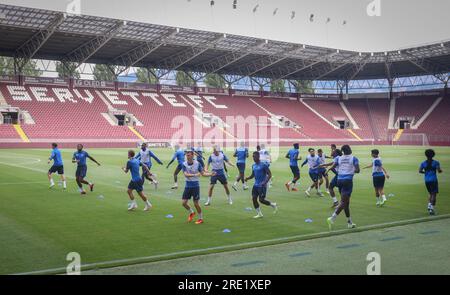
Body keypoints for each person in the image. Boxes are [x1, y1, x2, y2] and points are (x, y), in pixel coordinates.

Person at [326, 145, 359, 230]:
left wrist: (329, 170)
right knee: (344, 202)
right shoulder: (354, 158)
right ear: (349, 150)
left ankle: (349, 222)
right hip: (347, 181)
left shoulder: (338, 158)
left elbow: (333, 166)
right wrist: (350, 170)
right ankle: (332, 218)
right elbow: (358, 170)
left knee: (346, 203)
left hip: (339, 180)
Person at [181, 150, 214, 224]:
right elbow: (185, 174)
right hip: (188, 185)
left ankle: (200, 218)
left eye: (189, 155)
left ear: (193, 156)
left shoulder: (197, 164)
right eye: (187, 155)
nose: (187, 156)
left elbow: (203, 173)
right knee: (183, 203)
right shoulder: (184, 164)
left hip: (195, 186)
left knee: (196, 203)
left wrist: (210, 174)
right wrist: (195, 175)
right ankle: (192, 212)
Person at [245, 151, 278, 218]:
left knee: (261, 200)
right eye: (253, 156)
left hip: (262, 186)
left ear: (258, 157)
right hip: (256, 185)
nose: (253, 158)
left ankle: (273, 205)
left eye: (254, 156)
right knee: (254, 199)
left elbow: (269, 174)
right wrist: (247, 178)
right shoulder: (253, 165)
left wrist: (265, 182)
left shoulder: (263, 165)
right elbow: (253, 175)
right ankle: (259, 214)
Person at [419, 149, 442, 215]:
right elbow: (439, 170)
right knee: (434, 194)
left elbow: (420, 171)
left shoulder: (423, 163)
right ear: (433, 155)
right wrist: (440, 170)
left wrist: (425, 172)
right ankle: (431, 208)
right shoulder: (436, 162)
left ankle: (429, 205)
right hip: (433, 180)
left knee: (430, 193)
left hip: (426, 180)